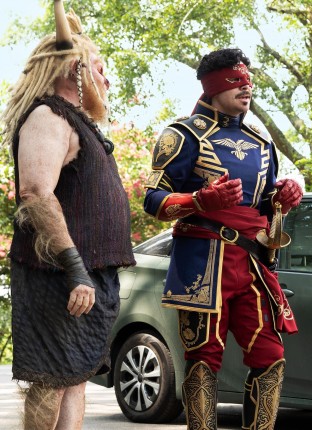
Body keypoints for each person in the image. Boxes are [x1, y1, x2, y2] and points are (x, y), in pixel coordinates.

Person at [143, 48, 302, 430]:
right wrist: (199, 200)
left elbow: (264, 205)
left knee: (270, 355)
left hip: (253, 264)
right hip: (203, 263)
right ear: (213, 87)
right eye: (236, 81)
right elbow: (153, 200)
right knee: (203, 358)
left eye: (249, 82)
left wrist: (283, 197)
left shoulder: (260, 141)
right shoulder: (182, 135)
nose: (246, 88)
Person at [0, 2, 135, 428]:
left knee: (74, 379)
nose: (106, 79)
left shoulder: (78, 122)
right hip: (58, 272)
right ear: (74, 68)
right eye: (99, 68)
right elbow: (36, 193)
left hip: (89, 274)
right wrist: (75, 269)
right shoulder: (48, 115)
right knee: (51, 379)